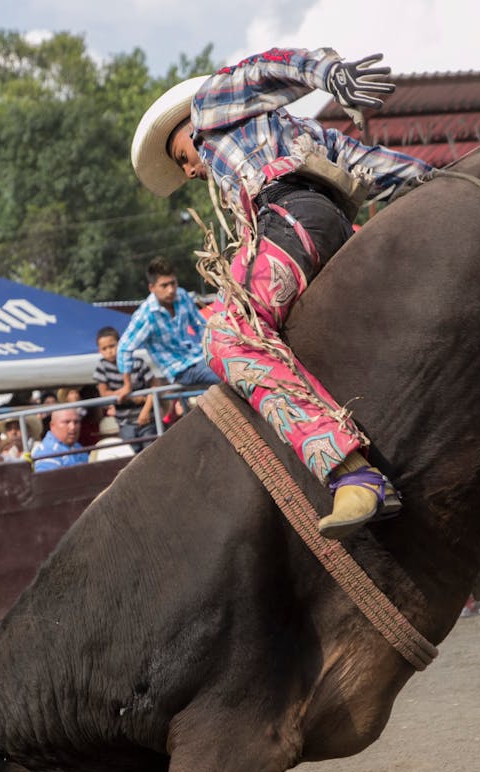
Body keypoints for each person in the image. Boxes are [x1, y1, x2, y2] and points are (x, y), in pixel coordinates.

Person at [131, 48, 433, 538]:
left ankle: (348, 471)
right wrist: (438, 181)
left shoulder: (210, 107)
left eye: (181, 157)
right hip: (337, 229)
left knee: (227, 336)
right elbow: (365, 165)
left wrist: (329, 74)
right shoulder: (298, 133)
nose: (188, 171)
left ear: (186, 128)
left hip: (291, 225)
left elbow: (265, 67)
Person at [117, 256, 220, 389]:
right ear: (152, 288)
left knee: (236, 364)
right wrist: (127, 384)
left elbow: (202, 327)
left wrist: (216, 350)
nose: (171, 290)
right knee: (226, 375)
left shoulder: (182, 296)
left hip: (199, 357)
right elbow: (124, 348)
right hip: (180, 370)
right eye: (164, 285)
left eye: (173, 283)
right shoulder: (146, 314)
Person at [94, 326, 159, 450]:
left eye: (112, 346)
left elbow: (154, 387)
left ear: (120, 344)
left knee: (151, 451)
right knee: (131, 455)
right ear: (100, 350)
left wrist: (145, 410)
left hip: (147, 419)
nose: (109, 351)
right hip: (124, 422)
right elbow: (103, 393)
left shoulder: (138, 363)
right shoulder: (102, 367)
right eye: (104, 348)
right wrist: (125, 395)